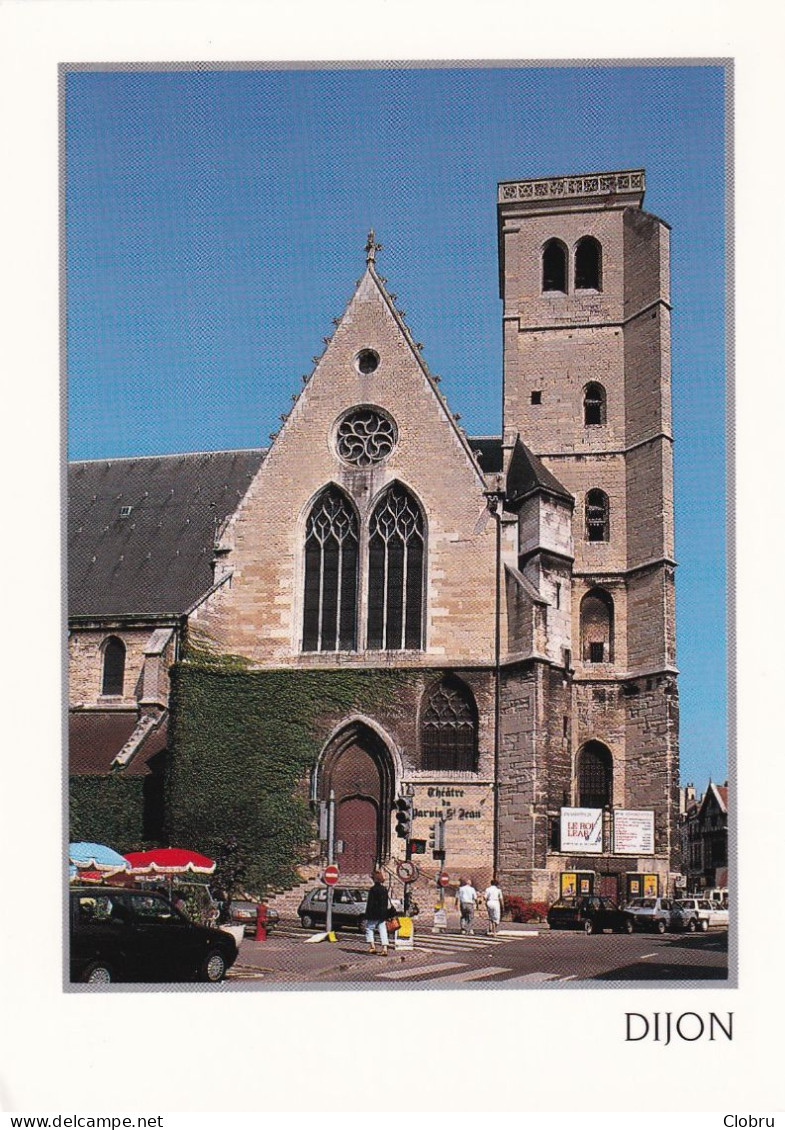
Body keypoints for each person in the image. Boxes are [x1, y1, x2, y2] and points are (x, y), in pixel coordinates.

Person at [365, 869, 393, 955]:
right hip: (383, 913)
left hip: (374, 913)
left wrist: (367, 914)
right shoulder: (384, 889)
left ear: (374, 879)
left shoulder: (373, 890)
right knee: (383, 929)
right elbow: (386, 902)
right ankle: (385, 948)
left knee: (369, 928)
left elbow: (370, 903)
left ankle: (372, 946)